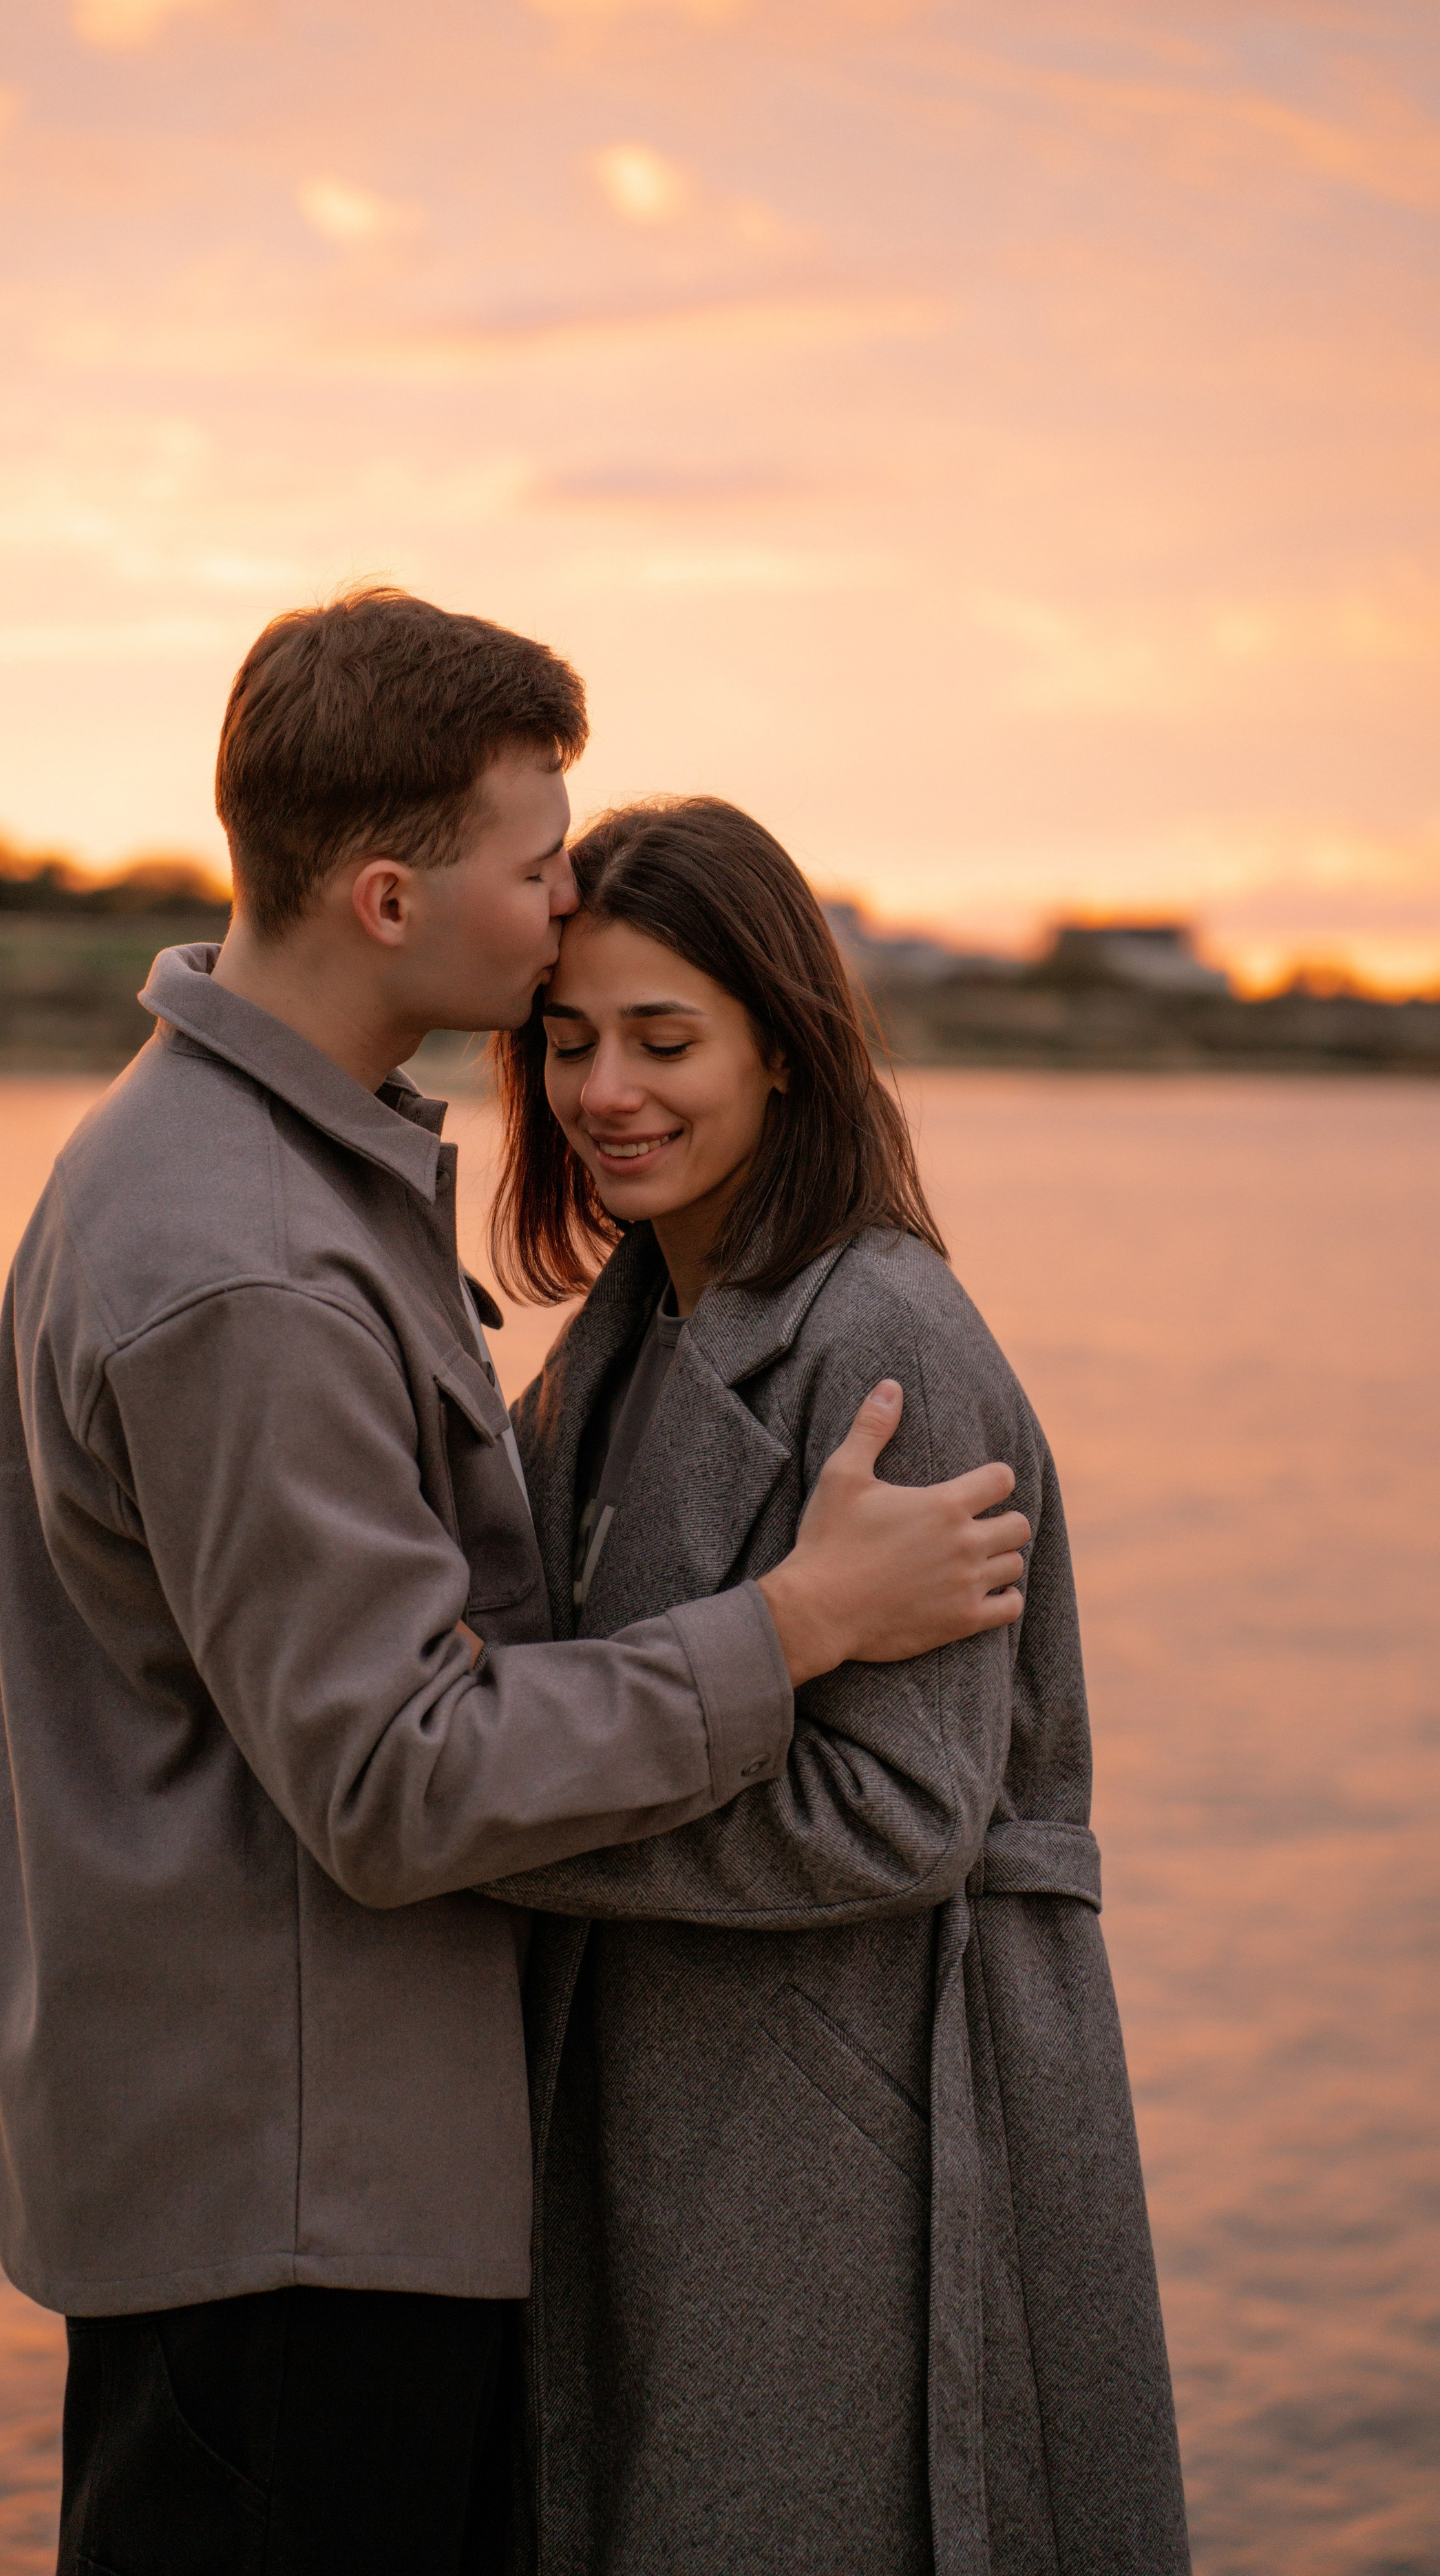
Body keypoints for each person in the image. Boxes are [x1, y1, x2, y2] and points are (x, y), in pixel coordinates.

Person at [0, 593, 1033, 2576]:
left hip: (289, 2183)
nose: (567, 904)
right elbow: (396, 1778)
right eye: (539, 865)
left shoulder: (265, 1178)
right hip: (297, 2218)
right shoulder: (249, 1263)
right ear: (391, 898)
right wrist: (797, 1622)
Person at [485, 797, 1190, 2576]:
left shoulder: (886, 1340)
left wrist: (480, 1832)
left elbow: (901, 1812)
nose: (605, 1092)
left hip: (869, 2104)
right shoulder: (627, 1322)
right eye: (568, 1042)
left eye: (666, 1039)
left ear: (786, 1051)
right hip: (674, 2097)